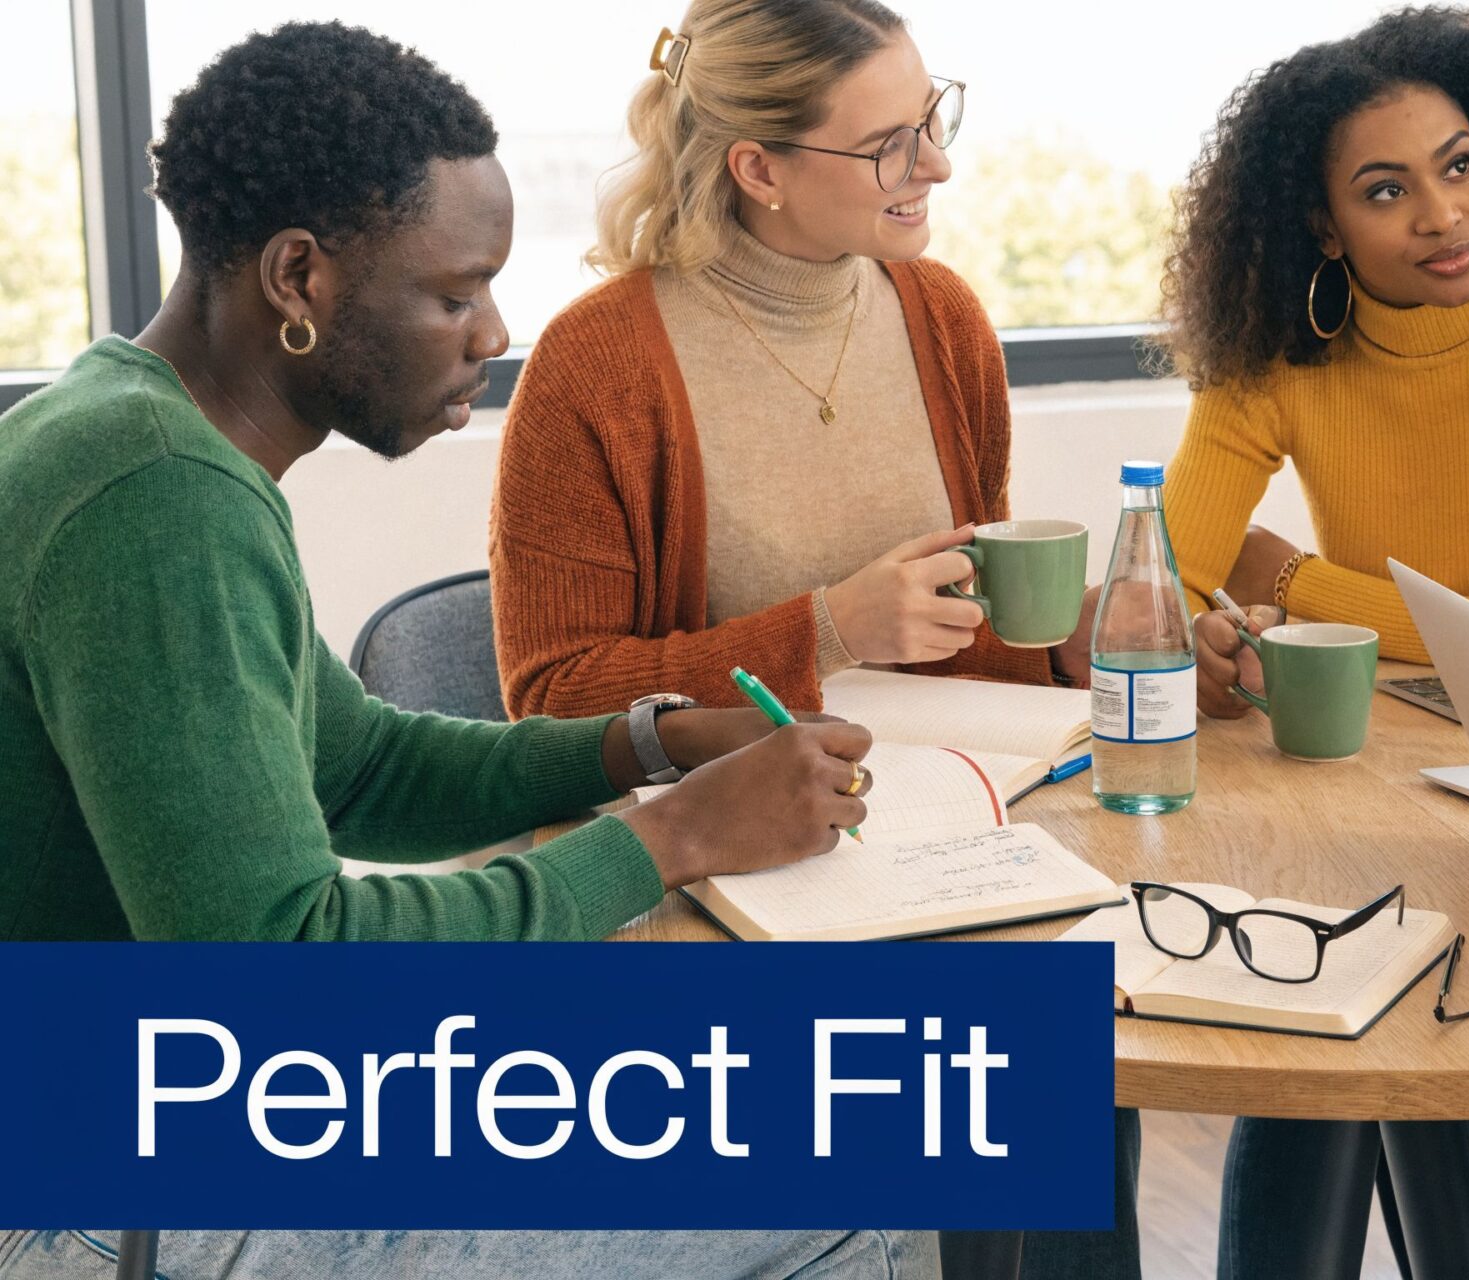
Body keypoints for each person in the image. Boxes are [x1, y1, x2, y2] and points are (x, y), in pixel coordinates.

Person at [0, 22, 928, 1277]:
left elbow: (360, 768)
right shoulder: (156, 494)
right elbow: (284, 969)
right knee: (857, 1183)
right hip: (95, 1183)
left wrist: (644, 739)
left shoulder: (137, 429)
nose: (493, 331)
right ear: (298, 279)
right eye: (452, 291)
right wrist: (677, 833)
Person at [492, 0, 1076, 723]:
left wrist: (1070, 642)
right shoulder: (592, 365)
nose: (938, 165)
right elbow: (555, 700)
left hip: (949, 799)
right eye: (890, 145)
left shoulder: (948, 320)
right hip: (724, 823)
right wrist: (830, 631)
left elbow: (967, 633)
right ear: (760, 170)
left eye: (931, 119)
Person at [1162, 5, 1469, 717]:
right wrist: (1201, 643)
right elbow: (1157, 592)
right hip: (1386, 742)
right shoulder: (1272, 359)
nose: (1442, 215)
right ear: (1325, 228)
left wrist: (1290, 581)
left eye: (1460, 166)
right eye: (1387, 191)